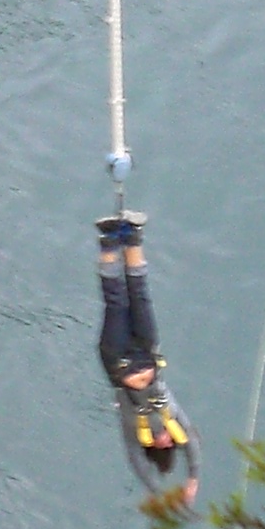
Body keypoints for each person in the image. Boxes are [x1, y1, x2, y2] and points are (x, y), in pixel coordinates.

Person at [96, 210, 196, 495]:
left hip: (119, 362)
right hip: (147, 353)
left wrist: (161, 496)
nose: (166, 439)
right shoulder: (176, 421)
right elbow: (194, 446)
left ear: (151, 446)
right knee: (139, 294)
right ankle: (132, 236)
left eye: (162, 445)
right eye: (170, 443)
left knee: (115, 302)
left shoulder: (133, 433)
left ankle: (107, 242)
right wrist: (192, 479)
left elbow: (138, 465)